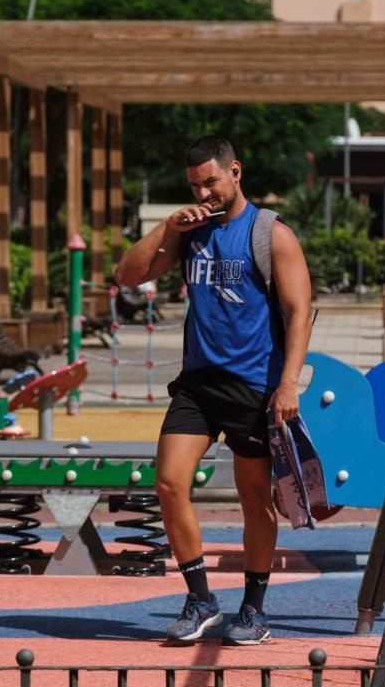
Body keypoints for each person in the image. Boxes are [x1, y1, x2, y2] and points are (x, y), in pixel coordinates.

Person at [114, 134, 312, 645]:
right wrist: (166, 227)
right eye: (196, 185)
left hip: (254, 387)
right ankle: (201, 599)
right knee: (170, 484)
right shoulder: (190, 233)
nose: (204, 193)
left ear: (235, 172)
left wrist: (288, 383)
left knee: (254, 500)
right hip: (197, 385)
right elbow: (127, 276)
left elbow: (298, 313)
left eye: (211, 181)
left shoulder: (270, 233)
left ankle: (254, 608)